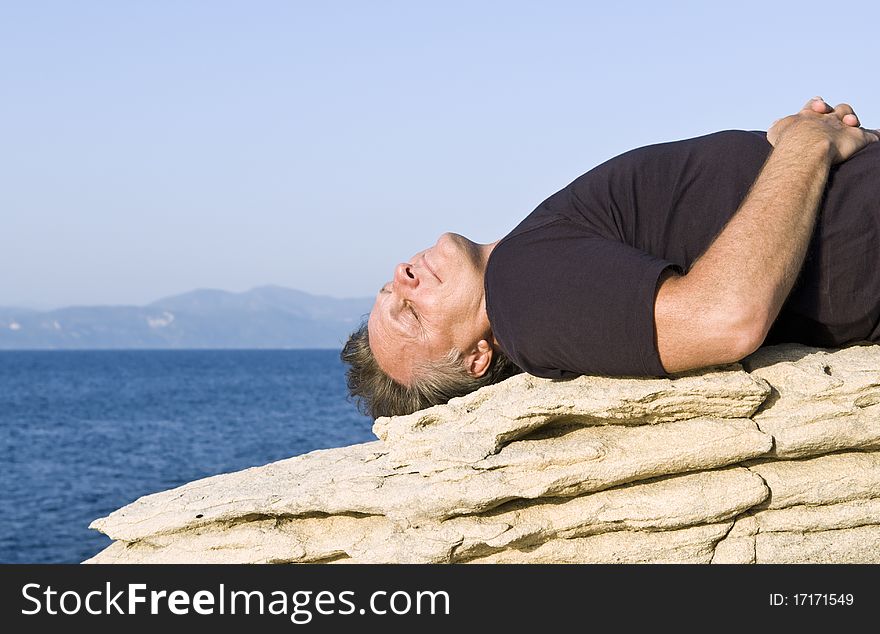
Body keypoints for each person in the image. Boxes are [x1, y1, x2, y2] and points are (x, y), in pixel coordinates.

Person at [342, 97, 880, 419]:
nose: (401, 276)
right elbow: (725, 318)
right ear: (475, 359)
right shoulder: (521, 296)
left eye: (389, 291)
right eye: (410, 313)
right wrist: (806, 145)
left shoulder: (530, 262)